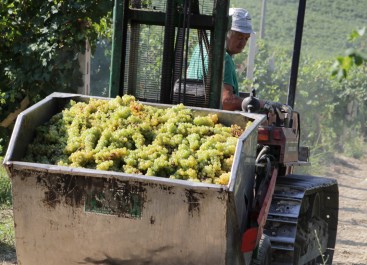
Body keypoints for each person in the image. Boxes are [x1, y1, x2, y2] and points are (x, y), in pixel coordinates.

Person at [187, 8, 256, 111]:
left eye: (246, 38)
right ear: (226, 32)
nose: (243, 43)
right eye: (239, 37)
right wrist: (254, 103)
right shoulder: (223, 59)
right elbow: (226, 101)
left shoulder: (200, 47)